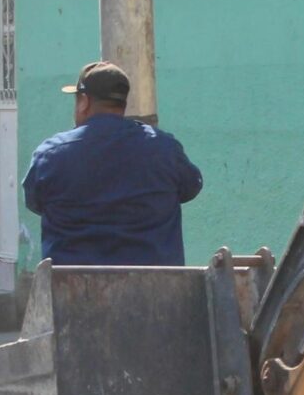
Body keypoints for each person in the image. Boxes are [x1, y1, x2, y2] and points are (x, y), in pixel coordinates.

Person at [23, 61, 203, 266]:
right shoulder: (164, 148)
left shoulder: (50, 155)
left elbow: (34, 201)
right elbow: (191, 186)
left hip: (70, 292)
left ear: (84, 102)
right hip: (158, 291)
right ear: (122, 104)